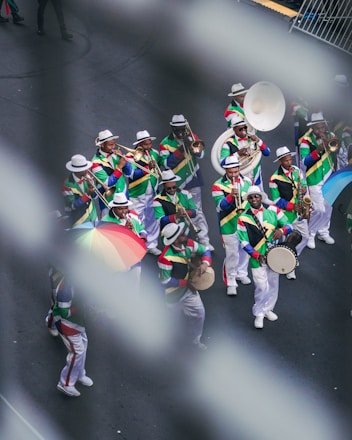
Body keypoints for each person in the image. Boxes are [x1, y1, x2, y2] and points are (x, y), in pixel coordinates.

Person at [237, 185, 292, 329]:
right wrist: (256, 255)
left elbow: (289, 225)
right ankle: (259, 313)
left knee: (273, 284)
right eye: (251, 197)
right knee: (262, 286)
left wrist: (281, 230)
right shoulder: (243, 218)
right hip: (257, 258)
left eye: (256, 196)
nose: (254, 199)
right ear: (248, 200)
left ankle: (268, 309)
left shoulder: (274, 210)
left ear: (261, 197)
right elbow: (243, 241)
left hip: (274, 254)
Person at [159, 114, 213, 250]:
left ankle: (204, 241)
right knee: (178, 213)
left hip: (193, 180)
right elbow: (166, 164)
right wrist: (181, 151)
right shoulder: (165, 143)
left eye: (183, 129)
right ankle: (178, 242)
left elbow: (201, 154)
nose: (181, 132)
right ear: (172, 128)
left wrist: (192, 144)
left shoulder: (192, 137)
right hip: (176, 184)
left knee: (198, 212)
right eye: (177, 130)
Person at [158, 222, 212, 350]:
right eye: (182, 234)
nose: (185, 234)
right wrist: (186, 283)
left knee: (199, 314)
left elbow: (205, 250)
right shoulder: (165, 258)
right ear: (176, 240)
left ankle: (195, 340)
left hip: (188, 291)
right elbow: (165, 281)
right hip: (172, 295)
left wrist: (205, 263)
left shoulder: (188, 244)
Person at [211, 155, 252, 296]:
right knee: (232, 254)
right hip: (228, 224)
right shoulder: (218, 185)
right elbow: (220, 206)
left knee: (245, 249)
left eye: (236, 171)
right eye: (230, 172)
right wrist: (230, 196)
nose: (234, 175)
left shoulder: (248, 182)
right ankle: (231, 281)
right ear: (225, 170)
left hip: (245, 223)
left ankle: (241, 273)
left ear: (239, 168)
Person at [52, 263, 93, 397]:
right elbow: (64, 313)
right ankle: (66, 383)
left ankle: (80, 374)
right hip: (67, 325)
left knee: (84, 346)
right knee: (77, 352)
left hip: (79, 324)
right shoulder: (65, 290)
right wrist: (81, 308)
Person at [269, 146, 310, 279]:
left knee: (305, 237)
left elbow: (303, 183)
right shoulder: (274, 179)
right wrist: (293, 207)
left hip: (300, 212)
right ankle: (288, 266)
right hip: (286, 215)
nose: (289, 162)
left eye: (290, 159)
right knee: (288, 240)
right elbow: (276, 200)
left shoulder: (297, 170)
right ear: (280, 161)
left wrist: (303, 189)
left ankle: (293, 256)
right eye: (286, 160)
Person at [299, 112, 336, 249]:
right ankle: (311, 233)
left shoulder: (331, 136)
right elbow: (304, 162)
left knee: (328, 208)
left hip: (328, 175)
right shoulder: (305, 141)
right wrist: (318, 150)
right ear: (312, 127)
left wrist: (327, 142)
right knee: (319, 209)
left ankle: (323, 232)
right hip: (314, 178)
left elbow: (335, 149)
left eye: (322, 127)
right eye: (317, 128)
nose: (320, 131)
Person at [126, 130, 162, 256]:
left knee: (152, 219)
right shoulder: (130, 156)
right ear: (140, 144)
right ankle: (137, 245)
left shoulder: (155, 153)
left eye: (150, 144)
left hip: (152, 192)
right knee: (137, 219)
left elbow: (161, 166)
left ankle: (152, 245)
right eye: (146, 145)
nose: (148, 147)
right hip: (137, 193)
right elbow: (131, 174)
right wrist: (148, 168)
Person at [100, 192, 147, 290]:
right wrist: (124, 230)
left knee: (135, 279)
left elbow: (141, 228)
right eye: (120, 209)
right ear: (114, 208)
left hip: (133, 254)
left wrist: (142, 238)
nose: (124, 211)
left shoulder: (132, 215)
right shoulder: (106, 221)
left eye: (125, 208)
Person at [220, 114, 270, 189]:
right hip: (239, 178)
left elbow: (267, 153)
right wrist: (238, 154)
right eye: (240, 129)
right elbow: (222, 162)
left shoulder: (252, 139)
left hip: (255, 176)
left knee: (257, 199)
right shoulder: (228, 144)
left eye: (245, 128)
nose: (244, 131)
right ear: (234, 129)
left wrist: (259, 141)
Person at [91, 129, 132, 217]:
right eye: (110, 145)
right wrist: (119, 167)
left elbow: (128, 173)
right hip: (108, 202)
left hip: (124, 198)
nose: (113, 147)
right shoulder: (95, 162)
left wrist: (124, 159)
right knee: (109, 228)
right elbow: (107, 183)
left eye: (114, 144)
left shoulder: (115, 154)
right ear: (102, 145)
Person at [153, 170, 199, 237]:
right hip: (169, 234)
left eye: (174, 187)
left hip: (185, 230)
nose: (172, 190)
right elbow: (161, 221)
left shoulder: (185, 194)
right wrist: (176, 216)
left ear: (176, 183)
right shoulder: (157, 200)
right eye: (169, 188)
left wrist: (186, 212)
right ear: (163, 186)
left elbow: (195, 211)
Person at [62, 154, 98, 227]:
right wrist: (87, 195)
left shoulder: (88, 176)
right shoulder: (67, 184)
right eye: (84, 169)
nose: (87, 170)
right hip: (79, 221)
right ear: (77, 171)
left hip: (94, 217)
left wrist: (92, 187)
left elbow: (95, 196)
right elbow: (72, 206)